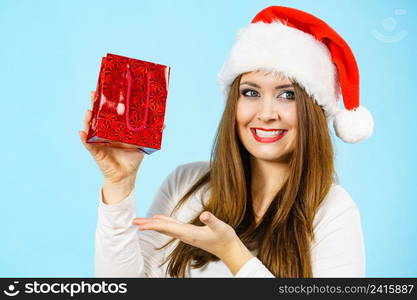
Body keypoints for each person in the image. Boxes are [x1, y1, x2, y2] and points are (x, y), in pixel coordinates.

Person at [79, 6, 374, 277]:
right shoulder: (185, 183)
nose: (266, 114)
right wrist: (119, 184)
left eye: (288, 95)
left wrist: (233, 254)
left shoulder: (333, 210)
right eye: (250, 92)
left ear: (313, 111)